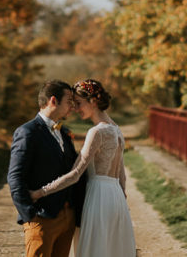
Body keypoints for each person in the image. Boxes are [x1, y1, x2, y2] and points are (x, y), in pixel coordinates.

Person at [29, 79, 136, 257]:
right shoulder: (116, 129)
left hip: (98, 197)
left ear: (93, 101)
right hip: (115, 196)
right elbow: (121, 174)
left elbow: (75, 174)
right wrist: (121, 198)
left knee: (96, 250)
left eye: (79, 103)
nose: (76, 109)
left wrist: (39, 193)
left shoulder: (97, 132)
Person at [8, 80, 86, 257]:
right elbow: (15, 176)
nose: (72, 107)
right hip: (42, 218)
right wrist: (30, 216)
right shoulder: (27, 132)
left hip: (68, 217)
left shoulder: (64, 132)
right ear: (53, 100)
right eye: (68, 101)